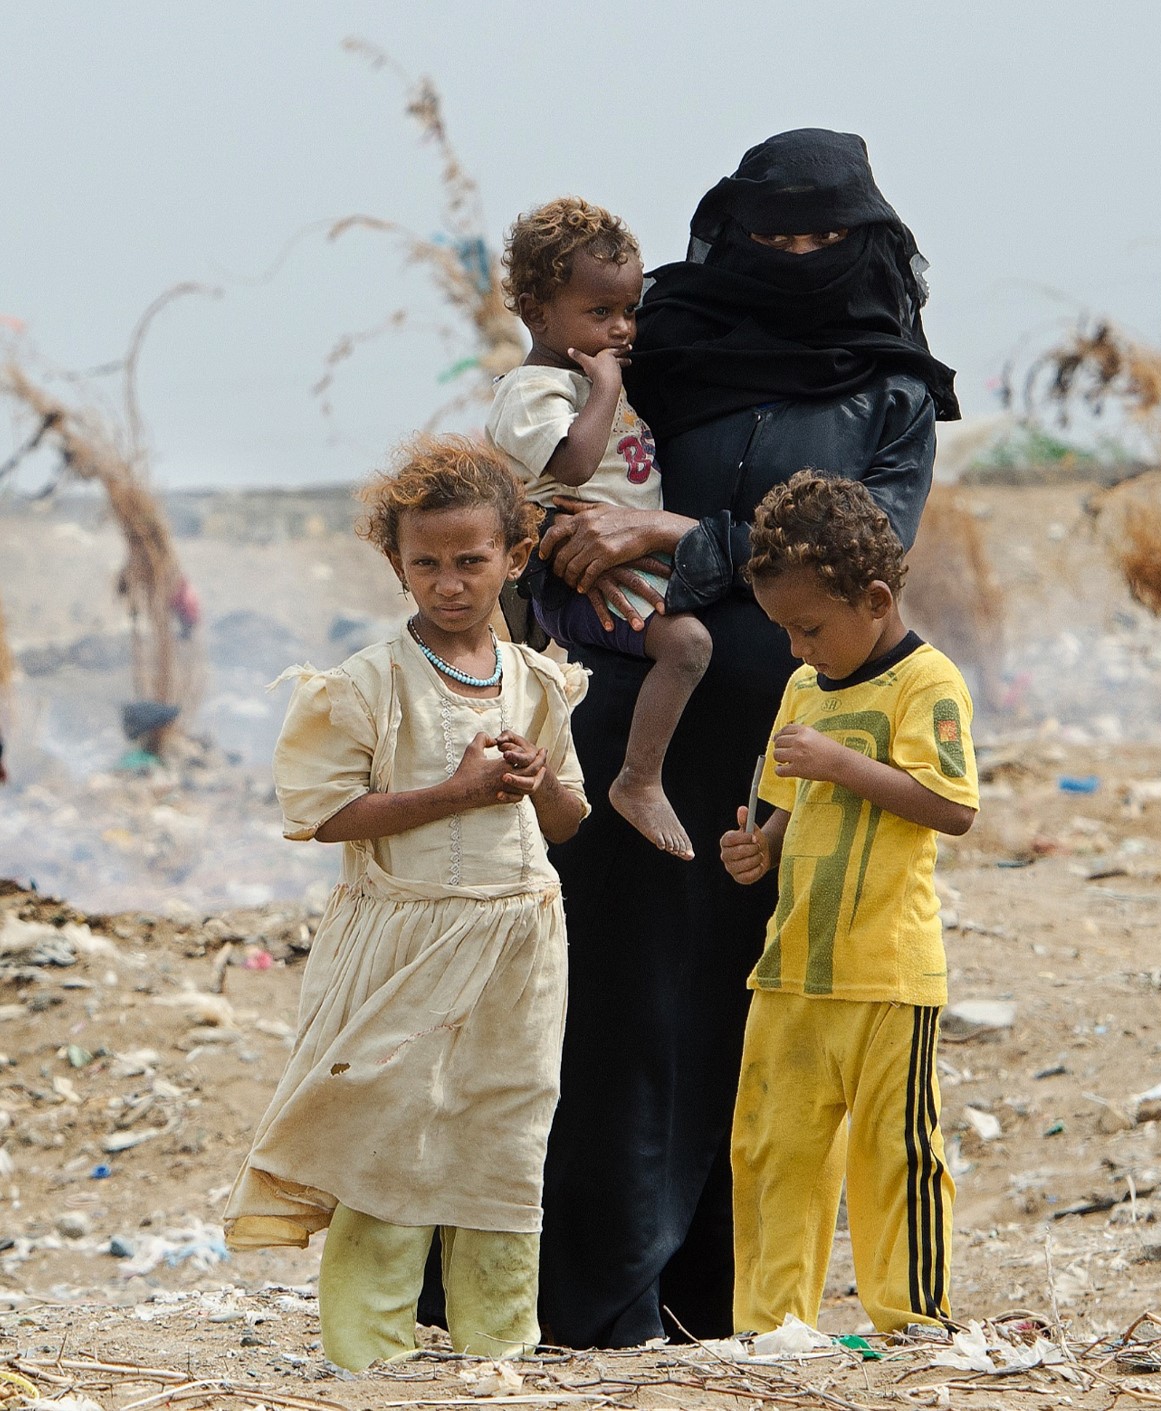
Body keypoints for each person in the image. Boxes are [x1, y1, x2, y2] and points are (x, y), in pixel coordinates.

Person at [474, 129, 958, 1348]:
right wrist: (577, 537)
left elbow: (867, 546)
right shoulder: (670, 344)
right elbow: (560, 466)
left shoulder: (892, 389)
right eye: (771, 235)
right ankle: (589, 1298)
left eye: (821, 236)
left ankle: (723, 1302)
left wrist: (668, 534)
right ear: (728, 235)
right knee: (619, 1008)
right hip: (632, 723)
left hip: (793, 743)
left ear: (866, 240)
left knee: (759, 1014)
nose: (794, 257)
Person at [224, 436, 589, 1371]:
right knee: (392, 1129)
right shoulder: (369, 685)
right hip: (405, 940)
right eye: (425, 562)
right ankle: (368, 1358)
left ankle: (499, 1349)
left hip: (519, 939)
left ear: (515, 556)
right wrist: (457, 794)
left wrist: (541, 781)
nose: (450, 582)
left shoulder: (538, 681)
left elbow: (570, 818)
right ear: (397, 564)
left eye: (471, 561)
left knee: (504, 1129)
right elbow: (326, 814)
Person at [719, 471, 977, 1335]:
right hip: (792, 968)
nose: (797, 649)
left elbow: (952, 805)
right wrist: (759, 849)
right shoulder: (802, 691)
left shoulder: (926, 682)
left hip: (885, 974)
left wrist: (843, 764)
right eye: (786, 629)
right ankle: (770, 1327)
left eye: (810, 627)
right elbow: (788, 813)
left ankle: (912, 1324)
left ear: (873, 598)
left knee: (894, 1156)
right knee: (770, 1152)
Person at [488, 197, 711, 861]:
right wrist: (607, 390)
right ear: (536, 312)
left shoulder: (595, 375)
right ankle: (638, 780)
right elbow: (576, 463)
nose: (621, 331)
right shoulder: (533, 391)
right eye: (599, 313)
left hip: (633, 559)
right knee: (689, 645)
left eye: (629, 312)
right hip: (584, 578)